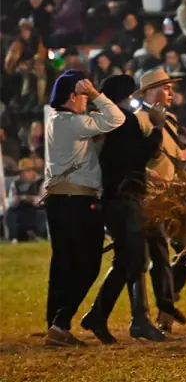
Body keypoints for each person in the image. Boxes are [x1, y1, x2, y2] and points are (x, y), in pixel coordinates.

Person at [80, 75, 168, 344]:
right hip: (124, 197)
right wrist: (156, 128)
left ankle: (99, 315)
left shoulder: (108, 121)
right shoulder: (124, 121)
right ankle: (137, 320)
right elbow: (140, 155)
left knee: (126, 260)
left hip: (112, 198)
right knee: (136, 259)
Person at [44, 71, 125, 346]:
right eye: (82, 96)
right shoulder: (74, 122)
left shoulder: (56, 120)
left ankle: (53, 324)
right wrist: (95, 94)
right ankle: (61, 323)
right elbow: (116, 118)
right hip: (77, 202)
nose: (86, 102)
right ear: (72, 96)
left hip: (58, 201)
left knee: (63, 264)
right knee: (88, 265)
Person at [134, 69, 186, 334]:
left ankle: (168, 299)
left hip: (171, 198)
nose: (171, 92)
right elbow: (130, 161)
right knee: (156, 256)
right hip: (147, 200)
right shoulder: (138, 121)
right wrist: (149, 176)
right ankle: (163, 313)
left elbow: (176, 161)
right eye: (166, 87)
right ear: (150, 92)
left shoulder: (171, 120)